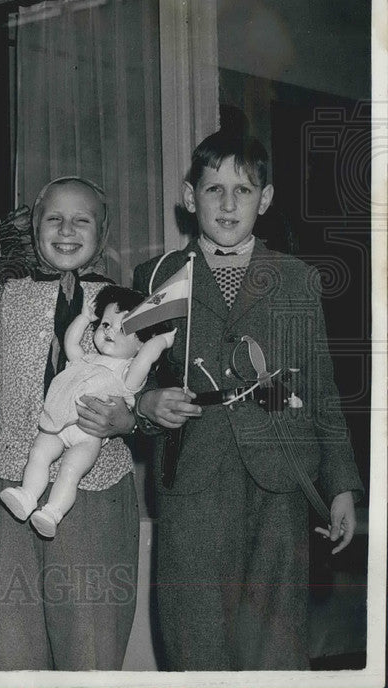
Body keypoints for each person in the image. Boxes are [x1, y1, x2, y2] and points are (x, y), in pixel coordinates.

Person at [132, 125, 364, 670]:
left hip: (280, 477)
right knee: (194, 634)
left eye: (243, 190)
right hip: (192, 478)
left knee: (275, 642)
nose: (229, 203)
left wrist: (342, 486)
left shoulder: (296, 279)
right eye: (214, 189)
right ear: (191, 199)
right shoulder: (160, 276)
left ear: (266, 198)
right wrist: (147, 404)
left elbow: (321, 388)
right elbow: (126, 377)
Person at [0, 177, 142, 670]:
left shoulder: (124, 304)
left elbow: (147, 383)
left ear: (102, 232)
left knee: (90, 636)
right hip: (14, 481)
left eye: (81, 219)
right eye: (54, 219)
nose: (67, 230)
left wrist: (129, 418)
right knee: (17, 641)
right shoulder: (11, 295)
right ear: (35, 227)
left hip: (95, 485)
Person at [0, 286, 174, 538]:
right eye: (105, 324)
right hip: (57, 423)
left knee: (70, 470)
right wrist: (84, 318)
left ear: (142, 341)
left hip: (87, 435)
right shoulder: (86, 360)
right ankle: (27, 495)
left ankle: (52, 512)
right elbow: (70, 342)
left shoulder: (127, 373)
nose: (110, 330)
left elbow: (145, 359)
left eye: (124, 327)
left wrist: (161, 340)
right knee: (38, 453)